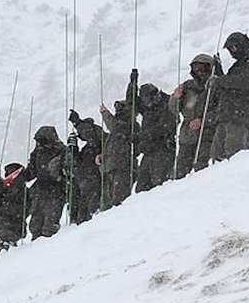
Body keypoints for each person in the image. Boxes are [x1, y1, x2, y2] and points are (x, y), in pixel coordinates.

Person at [209, 32, 249, 163]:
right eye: (229, 50)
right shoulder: (237, 66)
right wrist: (218, 72)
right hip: (227, 116)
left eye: (232, 48)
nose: (231, 52)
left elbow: (246, 82)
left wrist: (221, 80)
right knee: (217, 155)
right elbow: (229, 86)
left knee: (235, 156)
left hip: (241, 117)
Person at [172, 54, 220, 179]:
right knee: (180, 172)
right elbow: (173, 109)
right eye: (196, 69)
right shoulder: (187, 86)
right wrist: (176, 98)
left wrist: (203, 120)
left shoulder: (216, 86)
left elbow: (221, 110)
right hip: (187, 136)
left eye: (203, 68)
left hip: (207, 135)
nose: (199, 72)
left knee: (201, 170)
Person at [98, 73, 139, 208]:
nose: (118, 111)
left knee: (119, 201)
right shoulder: (114, 133)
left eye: (120, 108)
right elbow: (111, 146)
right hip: (110, 168)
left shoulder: (130, 124)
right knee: (108, 203)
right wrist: (102, 156)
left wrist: (105, 113)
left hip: (123, 167)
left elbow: (114, 126)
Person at [133, 82, 177, 193]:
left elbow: (163, 127)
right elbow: (131, 101)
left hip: (162, 151)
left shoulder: (167, 105)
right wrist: (133, 82)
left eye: (147, 98)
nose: (145, 102)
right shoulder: (149, 109)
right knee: (141, 189)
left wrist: (141, 136)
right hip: (149, 151)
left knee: (160, 186)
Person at [28, 126, 68, 239]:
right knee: (35, 225)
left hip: (56, 191)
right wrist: (21, 176)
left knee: (50, 226)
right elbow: (31, 171)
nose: (41, 144)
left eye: (43, 141)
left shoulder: (62, 151)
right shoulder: (38, 152)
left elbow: (68, 170)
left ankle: (50, 249)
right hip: (40, 191)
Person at [67, 111, 104, 224]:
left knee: (91, 215)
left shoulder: (100, 143)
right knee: (81, 219)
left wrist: (78, 123)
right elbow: (77, 163)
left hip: (93, 183)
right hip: (83, 185)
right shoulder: (87, 149)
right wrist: (73, 148)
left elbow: (91, 133)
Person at [0, 163, 31, 255]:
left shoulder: (24, 191)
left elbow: (24, 210)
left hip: (14, 226)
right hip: (0, 226)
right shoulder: (4, 190)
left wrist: (5, 203)